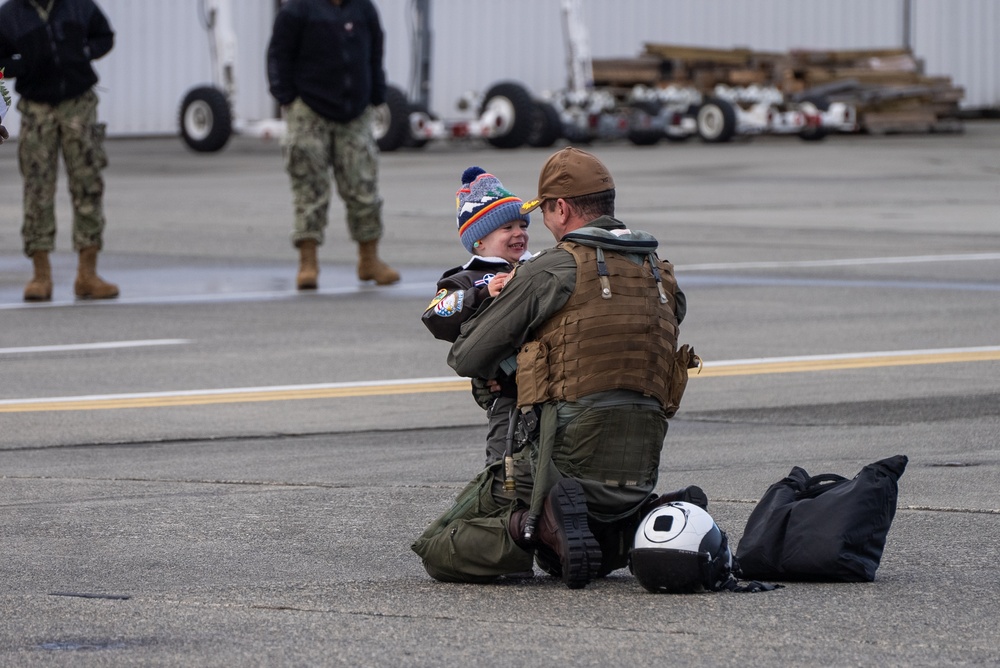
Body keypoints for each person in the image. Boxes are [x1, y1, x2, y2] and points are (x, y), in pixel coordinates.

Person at [413, 147, 703, 589]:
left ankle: (535, 525)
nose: (530, 231)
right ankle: (643, 518)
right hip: (638, 462)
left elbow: (465, 356)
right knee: (574, 555)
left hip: (560, 456)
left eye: (540, 214)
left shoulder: (549, 270)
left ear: (562, 208)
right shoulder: (660, 275)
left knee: (440, 548)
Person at [267, 0, 399, 291]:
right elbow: (278, 54)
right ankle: (308, 263)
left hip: (355, 112)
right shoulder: (298, 9)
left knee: (363, 186)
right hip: (309, 110)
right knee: (309, 188)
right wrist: (286, 96)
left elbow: (375, 53)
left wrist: (377, 94)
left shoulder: (363, 9)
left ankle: (369, 260)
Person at [420, 166, 533, 504]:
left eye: (523, 225)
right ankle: (502, 517)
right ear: (479, 240)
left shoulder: (538, 267)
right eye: (507, 227)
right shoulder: (464, 281)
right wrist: (482, 294)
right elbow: (435, 316)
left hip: (550, 387)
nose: (519, 233)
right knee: (506, 467)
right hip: (507, 395)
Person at [0, 0, 118, 302]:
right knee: (38, 189)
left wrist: (84, 54)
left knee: (88, 185)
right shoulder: (10, 14)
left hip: (78, 104)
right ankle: (41, 276)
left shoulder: (78, 5)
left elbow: (105, 36)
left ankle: (87, 275)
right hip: (37, 109)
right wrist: (16, 65)